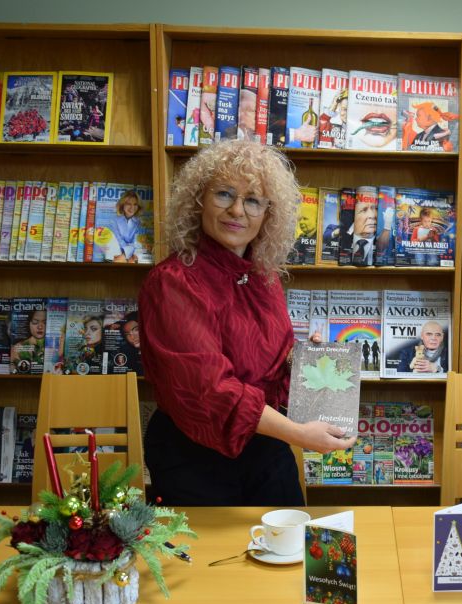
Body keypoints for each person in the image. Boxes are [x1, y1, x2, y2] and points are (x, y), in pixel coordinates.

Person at [139, 139, 355, 506]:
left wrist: (304, 365)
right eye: (224, 194)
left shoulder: (263, 277)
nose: (237, 210)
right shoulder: (173, 281)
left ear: (268, 213)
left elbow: (271, 366)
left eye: (253, 200)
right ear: (198, 201)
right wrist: (299, 434)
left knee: (288, 553)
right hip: (194, 454)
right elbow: (209, 390)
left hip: (264, 447)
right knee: (211, 563)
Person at [103, 190, 144, 263]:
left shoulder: (140, 222)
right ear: (123, 205)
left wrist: (125, 255)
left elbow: (136, 243)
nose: (132, 207)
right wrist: (125, 254)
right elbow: (118, 240)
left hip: (133, 253)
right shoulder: (114, 220)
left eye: (135, 204)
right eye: (129, 204)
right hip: (118, 251)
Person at [10, 307, 47, 374]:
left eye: (44, 322)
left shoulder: (55, 346)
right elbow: (13, 372)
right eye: (35, 322)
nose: (40, 327)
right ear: (29, 324)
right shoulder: (17, 348)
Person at [350, 197, 377, 266]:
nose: (372, 216)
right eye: (364, 210)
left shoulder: (385, 238)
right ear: (353, 216)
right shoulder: (342, 234)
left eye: (375, 208)